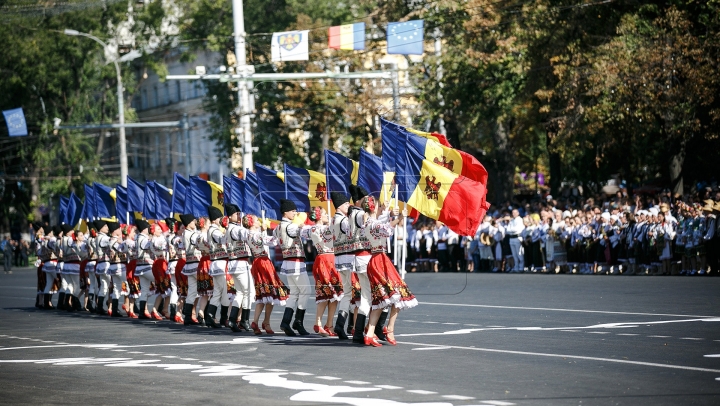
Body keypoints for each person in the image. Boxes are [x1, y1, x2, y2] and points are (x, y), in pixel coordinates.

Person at [361, 197, 418, 347]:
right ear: (374, 208)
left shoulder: (366, 223)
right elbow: (385, 228)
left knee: (382, 299)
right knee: (397, 293)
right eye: (379, 206)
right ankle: (388, 329)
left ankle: (371, 333)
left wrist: (391, 213)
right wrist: (399, 217)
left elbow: (383, 223)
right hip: (380, 260)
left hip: (376, 258)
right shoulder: (373, 224)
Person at [246, 213, 289, 334]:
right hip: (264, 262)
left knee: (263, 293)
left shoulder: (249, 234)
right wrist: (273, 231)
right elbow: (273, 242)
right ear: (252, 223)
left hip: (257, 261)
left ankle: (258, 321)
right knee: (271, 291)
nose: (259, 221)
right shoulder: (256, 235)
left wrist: (263, 231)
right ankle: (266, 321)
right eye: (256, 220)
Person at [275, 199, 311, 336]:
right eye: (292, 211)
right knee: (306, 291)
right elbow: (302, 231)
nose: (295, 213)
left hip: (288, 261)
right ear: (285, 212)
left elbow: (274, 238)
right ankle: (298, 321)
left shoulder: (278, 227)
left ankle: (286, 322)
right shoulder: (290, 226)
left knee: (295, 293)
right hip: (295, 262)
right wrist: (308, 227)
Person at [305, 206, 343, 336]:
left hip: (327, 259)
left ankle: (328, 324)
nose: (328, 215)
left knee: (334, 295)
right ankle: (319, 323)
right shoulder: (322, 229)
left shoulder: (313, 229)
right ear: (319, 216)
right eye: (326, 214)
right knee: (326, 293)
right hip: (327, 259)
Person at [225, 204, 254, 332]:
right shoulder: (234, 229)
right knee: (249, 292)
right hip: (240, 264)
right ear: (230, 216)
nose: (239, 216)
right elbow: (244, 234)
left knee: (240, 293)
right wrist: (252, 230)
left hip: (234, 263)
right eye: (236, 214)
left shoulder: (229, 228)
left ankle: (232, 319)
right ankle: (244, 320)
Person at [205, 206, 230, 328]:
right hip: (220, 263)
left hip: (216, 263)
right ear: (214, 220)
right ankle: (223, 318)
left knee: (217, 292)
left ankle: (210, 316)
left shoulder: (212, 230)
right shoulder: (215, 231)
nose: (221, 220)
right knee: (224, 291)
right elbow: (223, 239)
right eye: (219, 218)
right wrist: (228, 230)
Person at [180, 213, 202, 326]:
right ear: (189, 223)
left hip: (189, 264)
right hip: (196, 264)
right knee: (206, 289)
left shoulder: (185, 233)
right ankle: (203, 314)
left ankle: (187, 315)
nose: (195, 223)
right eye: (194, 221)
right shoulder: (191, 234)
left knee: (192, 291)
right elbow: (199, 243)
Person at [134, 220, 156, 319]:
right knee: (162, 281)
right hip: (146, 266)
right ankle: (157, 308)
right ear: (144, 229)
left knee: (144, 290)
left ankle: (142, 312)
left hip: (140, 266)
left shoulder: (138, 237)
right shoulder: (143, 238)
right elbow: (148, 246)